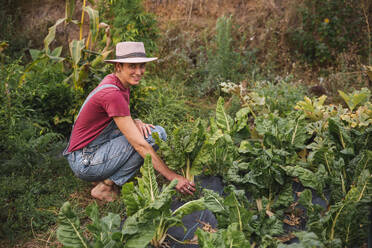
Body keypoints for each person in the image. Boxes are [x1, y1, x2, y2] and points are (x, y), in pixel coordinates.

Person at [63, 42, 195, 201]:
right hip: (85, 161)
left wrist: (135, 121)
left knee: (145, 133)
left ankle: (102, 177)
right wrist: (173, 177)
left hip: (85, 151)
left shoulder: (115, 82)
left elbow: (116, 116)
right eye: (132, 66)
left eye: (142, 66)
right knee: (154, 135)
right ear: (119, 66)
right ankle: (105, 186)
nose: (138, 72)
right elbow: (139, 145)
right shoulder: (113, 93)